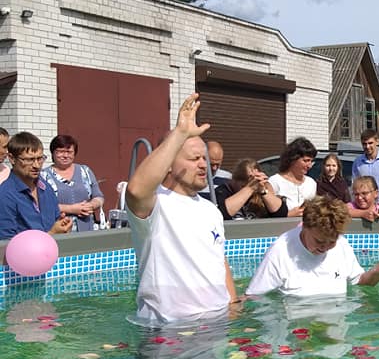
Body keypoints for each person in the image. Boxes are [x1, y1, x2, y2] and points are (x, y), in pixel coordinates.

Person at [125, 93, 238, 323]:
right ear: (167, 166)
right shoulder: (156, 205)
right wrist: (180, 133)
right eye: (195, 158)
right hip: (169, 329)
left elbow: (219, 259)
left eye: (204, 159)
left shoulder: (210, 210)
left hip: (215, 324)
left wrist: (233, 304)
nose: (203, 165)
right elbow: (135, 190)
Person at [245, 196, 379, 297]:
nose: (325, 247)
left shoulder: (341, 244)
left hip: (335, 329)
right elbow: (254, 296)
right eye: (319, 241)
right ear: (305, 227)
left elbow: (359, 281)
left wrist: (378, 271)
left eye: (331, 241)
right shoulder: (280, 251)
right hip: (297, 330)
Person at [0, 132, 73, 238]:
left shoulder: (45, 188)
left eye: (40, 159)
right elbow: (6, 244)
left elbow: (56, 219)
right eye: (29, 160)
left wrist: (63, 225)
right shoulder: (5, 195)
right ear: (12, 159)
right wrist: (51, 234)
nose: (36, 165)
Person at [40, 134, 104, 232]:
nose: (65, 156)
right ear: (53, 153)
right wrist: (71, 209)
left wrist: (91, 205)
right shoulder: (43, 176)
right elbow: (42, 204)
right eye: (60, 152)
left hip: (87, 229)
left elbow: (99, 196)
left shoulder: (85, 171)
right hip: (58, 230)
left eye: (69, 152)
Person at [214, 158, 288, 220]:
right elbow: (220, 214)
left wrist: (263, 191)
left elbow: (281, 213)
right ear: (234, 180)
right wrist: (249, 188)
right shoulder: (222, 191)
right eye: (243, 186)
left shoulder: (262, 191)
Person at [268, 137, 318, 217]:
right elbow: (267, 216)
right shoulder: (274, 182)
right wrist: (288, 215)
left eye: (311, 161)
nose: (309, 165)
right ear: (293, 159)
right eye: (306, 161)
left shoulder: (311, 183)